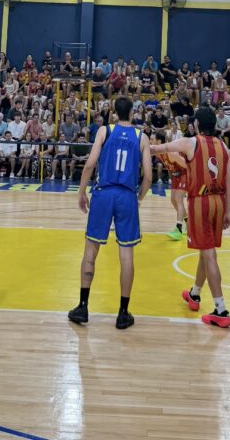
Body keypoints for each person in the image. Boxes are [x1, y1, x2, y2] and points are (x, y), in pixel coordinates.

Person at [68, 96, 152, 330]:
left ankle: (83, 306)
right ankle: (123, 313)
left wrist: (82, 192)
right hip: (126, 195)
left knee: (90, 250)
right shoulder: (141, 137)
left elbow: (89, 164)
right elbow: (149, 176)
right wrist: (139, 198)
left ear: (115, 112)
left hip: (103, 194)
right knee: (126, 254)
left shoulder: (104, 131)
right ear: (133, 113)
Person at [150, 106, 230, 328]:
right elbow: (229, 181)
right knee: (205, 252)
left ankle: (221, 309)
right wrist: (227, 211)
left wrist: (137, 146)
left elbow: (160, 147)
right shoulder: (224, 146)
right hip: (219, 202)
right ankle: (195, 294)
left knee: (209, 255)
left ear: (196, 124)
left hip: (200, 202)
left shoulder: (190, 142)